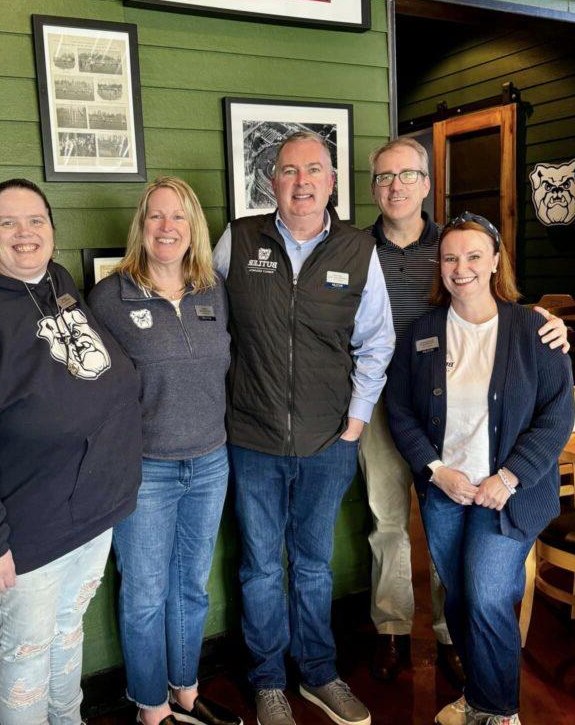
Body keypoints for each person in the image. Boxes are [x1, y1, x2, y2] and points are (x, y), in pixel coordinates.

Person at [0, 178, 142, 725]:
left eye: (36, 221)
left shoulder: (60, 284)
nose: (25, 234)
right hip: (25, 533)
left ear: (51, 228)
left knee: (68, 633)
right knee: (26, 654)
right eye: (8, 223)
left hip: (92, 513)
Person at [361, 137, 568, 683]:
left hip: (484, 440)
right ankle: (395, 632)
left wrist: (550, 326)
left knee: (478, 582)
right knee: (392, 525)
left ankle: (465, 648)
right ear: (373, 187)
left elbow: (554, 407)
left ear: (426, 184)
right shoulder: (355, 250)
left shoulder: (453, 244)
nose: (396, 186)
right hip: (390, 408)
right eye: (384, 177)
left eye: (407, 175)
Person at [212, 131, 394, 725]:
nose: (301, 182)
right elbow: (202, 316)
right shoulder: (237, 241)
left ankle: (319, 674)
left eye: (313, 169)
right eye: (289, 171)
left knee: (314, 564)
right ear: (273, 182)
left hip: (327, 441)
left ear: (332, 181)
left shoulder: (356, 250)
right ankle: (268, 683)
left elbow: (376, 341)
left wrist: (357, 419)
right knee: (261, 566)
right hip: (252, 438)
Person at [386, 213, 575, 725]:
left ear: (495, 261)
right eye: (450, 258)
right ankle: (477, 696)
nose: (461, 267)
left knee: (489, 592)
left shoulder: (535, 329)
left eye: (473, 256)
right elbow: (400, 410)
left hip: (509, 494)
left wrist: (508, 477)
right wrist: (435, 470)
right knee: (462, 596)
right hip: (447, 491)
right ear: (440, 267)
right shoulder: (423, 333)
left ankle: (500, 710)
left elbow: (558, 416)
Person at [89, 177, 240, 725]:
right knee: (146, 594)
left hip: (210, 461)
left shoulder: (213, 291)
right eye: (156, 216)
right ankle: (151, 710)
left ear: (193, 226)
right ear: (141, 227)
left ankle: (186, 693)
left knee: (192, 587)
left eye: (178, 216)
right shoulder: (111, 297)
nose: (167, 227)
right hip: (145, 470)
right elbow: (91, 387)